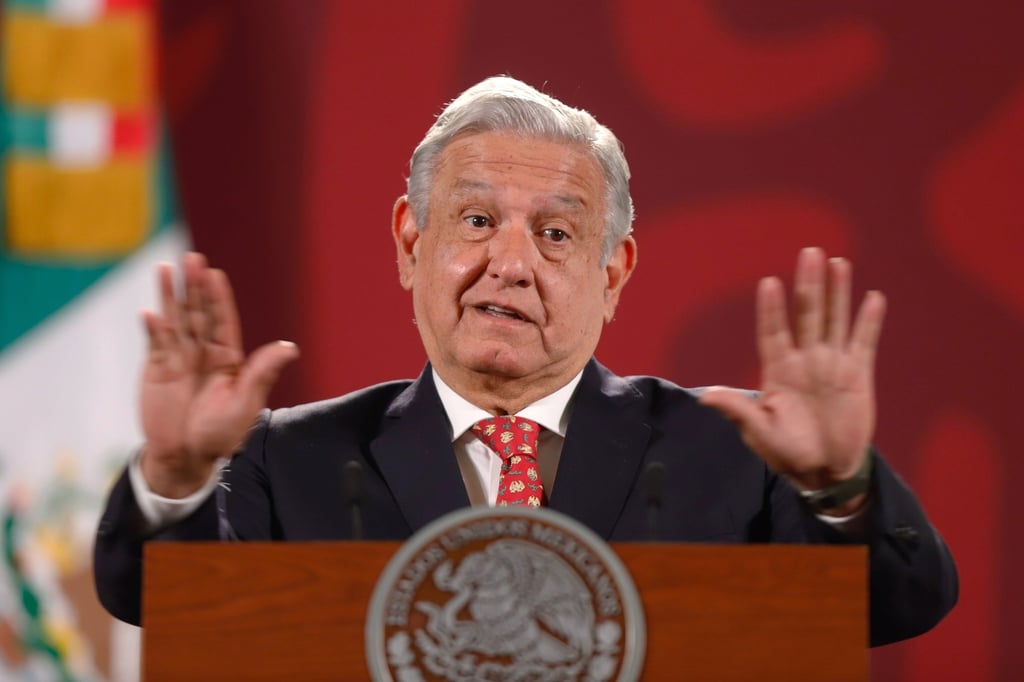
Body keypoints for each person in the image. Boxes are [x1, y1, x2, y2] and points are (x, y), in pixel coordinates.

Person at [93, 76, 957, 646]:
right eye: (475, 221)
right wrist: (172, 477)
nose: (510, 263)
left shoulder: (737, 449)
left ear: (612, 271)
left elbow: (900, 604)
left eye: (554, 233)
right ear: (409, 241)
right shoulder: (285, 457)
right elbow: (164, 609)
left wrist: (841, 488)